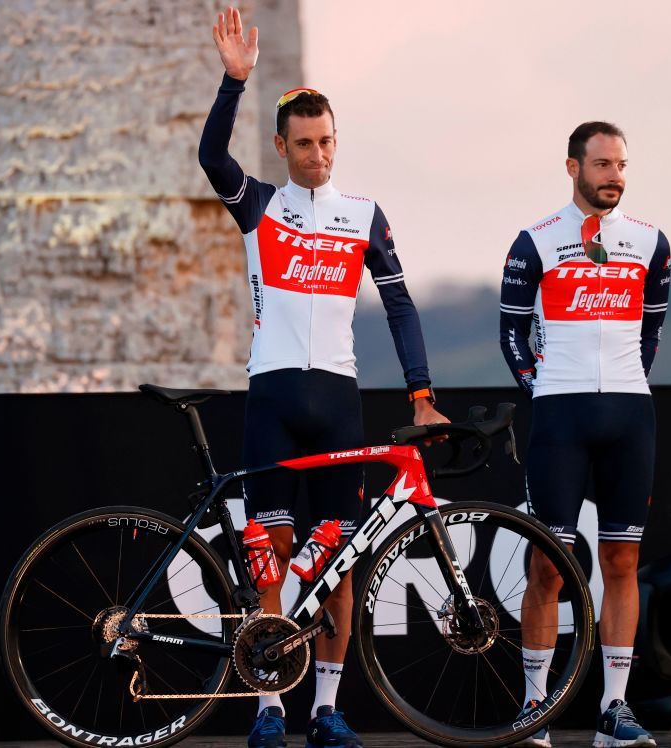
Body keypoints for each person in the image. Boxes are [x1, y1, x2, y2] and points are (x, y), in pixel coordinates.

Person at [200, 7, 448, 748]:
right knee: (269, 557)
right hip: (273, 395)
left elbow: (400, 305)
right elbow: (213, 158)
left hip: (338, 397)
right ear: (281, 147)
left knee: (338, 559)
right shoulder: (261, 206)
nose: (318, 155)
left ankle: (326, 709)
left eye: (327, 141)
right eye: (304, 144)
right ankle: (270, 708)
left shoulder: (364, 215)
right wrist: (232, 83)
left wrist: (422, 395)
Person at [499, 121, 671, 748]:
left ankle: (614, 709)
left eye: (621, 165)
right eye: (601, 165)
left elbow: (652, 329)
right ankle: (535, 709)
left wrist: (626, 380)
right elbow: (512, 334)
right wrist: (544, 388)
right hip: (561, 416)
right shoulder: (535, 241)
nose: (614, 176)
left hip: (630, 413)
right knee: (548, 564)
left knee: (622, 560)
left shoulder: (651, 242)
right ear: (572, 168)